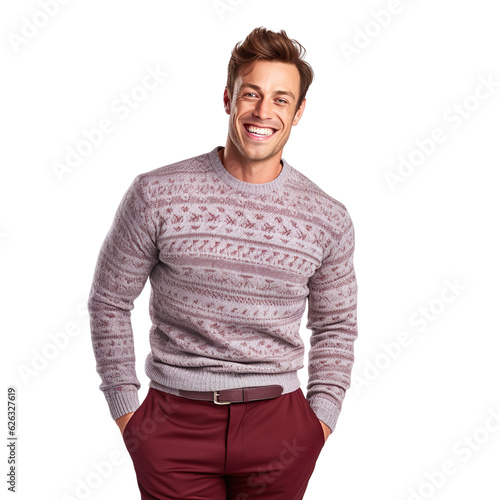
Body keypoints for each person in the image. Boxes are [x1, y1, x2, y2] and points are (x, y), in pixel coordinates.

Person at [88, 26, 358, 500]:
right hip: (172, 423)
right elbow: (109, 301)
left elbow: (336, 325)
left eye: (280, 100)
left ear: (298, 114)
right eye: (251, 94)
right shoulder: (156, 194)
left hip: (282, 428)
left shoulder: (327, 217)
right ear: (229, 98)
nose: (262, 112)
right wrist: (127, 412)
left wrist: (321, 422)